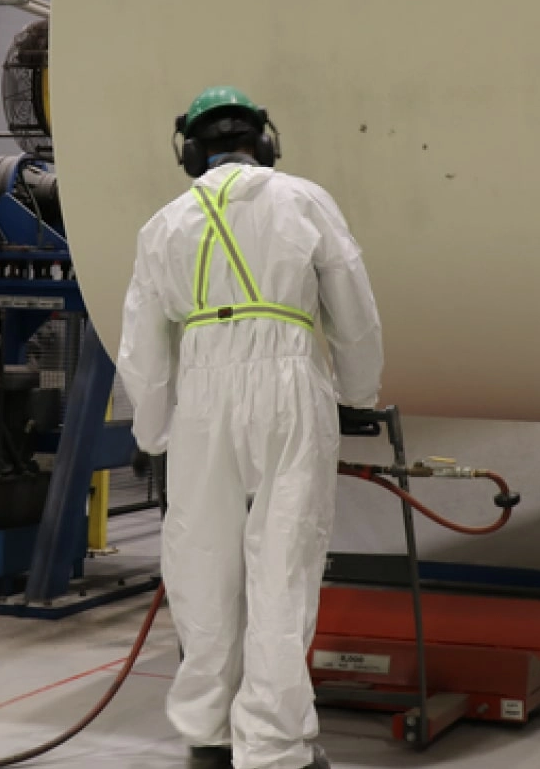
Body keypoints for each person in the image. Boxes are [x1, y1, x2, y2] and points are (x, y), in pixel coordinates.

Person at [118, 86, 384, 769]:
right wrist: (359, 394)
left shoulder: (164, 224)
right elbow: (352, 307)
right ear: (263, 143)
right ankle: (271, 748)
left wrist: (154, 432)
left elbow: (143, 350)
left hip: (202, 397)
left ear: (191, 153)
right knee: (283, 565)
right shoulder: (303, 200)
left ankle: (208, 735)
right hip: (288, 383)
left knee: (201, 566)